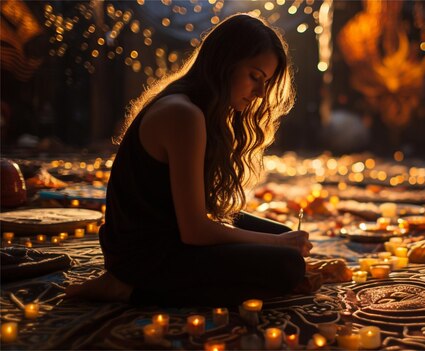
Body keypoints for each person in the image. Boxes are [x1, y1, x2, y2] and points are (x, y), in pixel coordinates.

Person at [66, 13, 312, 307]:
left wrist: (279, 240)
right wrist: (277, 246)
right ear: (225, 62)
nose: (260, 94)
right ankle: (128, 289)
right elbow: (195, 230)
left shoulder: (200, 109)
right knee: (286, 264)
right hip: (146, 256)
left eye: (266, 83)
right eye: (255, 77)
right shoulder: (183, 114)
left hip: (171, 236)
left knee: (285, 236)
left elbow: (201, 215)